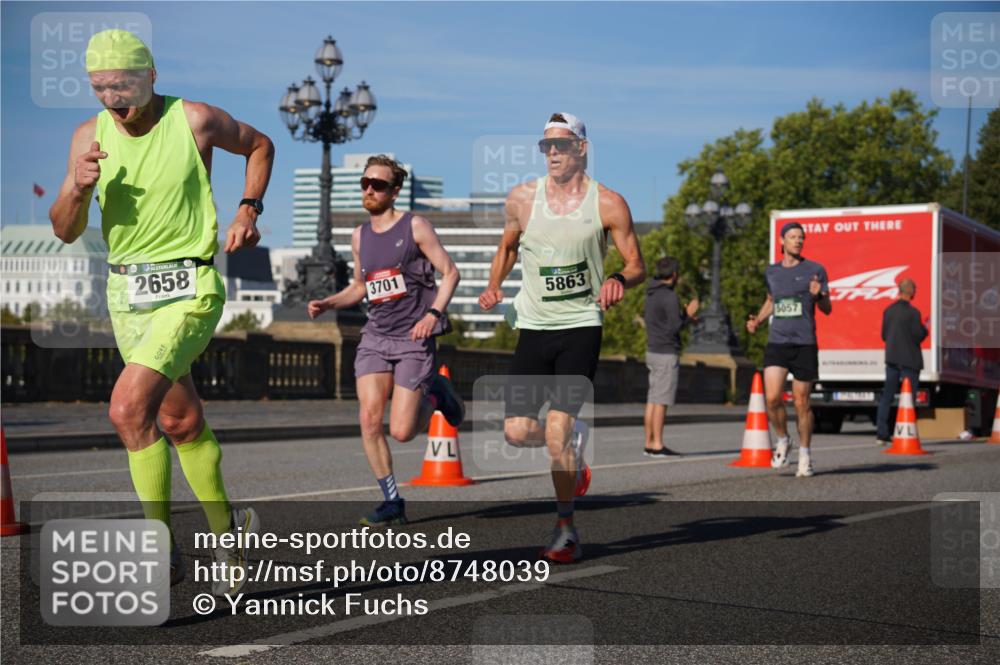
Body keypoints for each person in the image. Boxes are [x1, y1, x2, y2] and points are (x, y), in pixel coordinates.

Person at [49, 30, 274, 596]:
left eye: (121, 84)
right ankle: (231, 534)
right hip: (127, 297)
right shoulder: (87, 136)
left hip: (190, 286)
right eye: (99, 87)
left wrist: (248, 209)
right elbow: (64, 229)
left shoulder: (193, 120)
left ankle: (158, 551)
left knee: (127, 409)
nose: (110, 98)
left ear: (150, 76)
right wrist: (77, 190)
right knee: (179, 422)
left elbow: (260, 144)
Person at [479, 112, 645, 562]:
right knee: (515, 432)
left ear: (582, 149)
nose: (552, 153)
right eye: (546, 146)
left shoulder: (608, 203)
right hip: (533, 325)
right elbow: (508, 247)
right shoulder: (522, 199)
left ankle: (566, 528)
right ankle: (573, 446)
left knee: (555, 428)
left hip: (580, 327)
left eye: (561, 145)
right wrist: (495, 284)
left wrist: (617, 279)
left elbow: (636, 265)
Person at [308, 155, 463, 526]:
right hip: (376, 336)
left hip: (413, 337)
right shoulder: (360, 236)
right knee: (368, 418)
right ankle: (392, 500)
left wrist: (433, 315)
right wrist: (330, 302)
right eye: (365, 183)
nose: (369, 190)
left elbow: (450, 272)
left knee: (402, 431)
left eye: (377, 185)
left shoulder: (416, 227)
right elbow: (361, 287)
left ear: (394, 192)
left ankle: (436, 393)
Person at [746, 222, 831, 478]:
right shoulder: (771, 272)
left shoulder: (815, 270)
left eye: (801, 237)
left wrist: (819, 296)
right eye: (793, 237)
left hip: (804, 343)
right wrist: (758, 320)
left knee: (802, 402)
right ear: (782, 241)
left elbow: (827, 309)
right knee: (772, 398)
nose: (798, 241)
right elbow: (772, 301)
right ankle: (783, 439)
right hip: (778, 342)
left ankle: (805, 454)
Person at [643, 256, 699, 456]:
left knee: (652, 399)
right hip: (666, 352)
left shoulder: (650, 293)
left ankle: (649, 443)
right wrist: (688, 314)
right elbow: (674, 326)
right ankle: (657, 444)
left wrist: (683, 316)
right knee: (661, 401)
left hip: (652, 350)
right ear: (674, 275)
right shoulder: (670, 296)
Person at [875, 278, 928, 445]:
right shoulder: (913, 313)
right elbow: (918, 335)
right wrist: (925, 328)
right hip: (909, 361)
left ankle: (882, 434)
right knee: (908, 399)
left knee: (887, 397)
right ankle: (906, 432)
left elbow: (884, 335)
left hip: (891, 359)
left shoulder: (888, 311)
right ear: (911, 291)